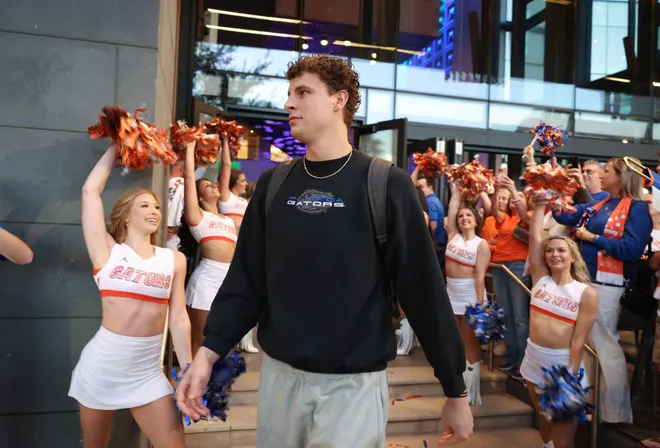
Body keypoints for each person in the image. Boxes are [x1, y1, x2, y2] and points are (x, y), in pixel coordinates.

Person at [176, 55, 473, 447]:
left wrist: (455, 389)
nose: (288, 104)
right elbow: (246, 281)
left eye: (303, 92)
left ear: (338, 99)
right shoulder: (273, 185)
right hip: (280, 379)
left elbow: (423, 293)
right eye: (288, 94)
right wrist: (207, 352)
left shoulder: (386, 184)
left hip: (353, 387)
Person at [68, 145, 192, 448]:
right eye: (144, 206)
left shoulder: (174, 259)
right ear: (125, 216)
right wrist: (117, 143)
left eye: (157, 207)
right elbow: (89, 192)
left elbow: (177, 317)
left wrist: (187, 370)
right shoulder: (107, 252)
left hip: (147, 374)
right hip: (102, 368)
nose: (154, 211)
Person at [554, 157, 651, 423]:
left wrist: (592, 238)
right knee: (585, 344)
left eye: (606, 171)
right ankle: (589, 402)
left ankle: (615, 412)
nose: (601, 174)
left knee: (605, 344)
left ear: (620, 177)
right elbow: (564, 214)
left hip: (609, 284)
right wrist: (551, 189)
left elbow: (632, 249)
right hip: (585, 281)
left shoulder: (638, 208)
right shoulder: (599, 202)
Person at [522, 200, 598, 448]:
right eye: (550, 250)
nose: (554, 254)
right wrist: (540, 205)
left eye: (561, 250)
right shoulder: (540, 279)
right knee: (544, 421)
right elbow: (534, 238)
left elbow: (579, 340)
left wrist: (571, 376)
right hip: (533, 359)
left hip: (562, 366)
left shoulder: (585, 293)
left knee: (564, 437)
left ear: (573, 257)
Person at [182, 141, 239, 355]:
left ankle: (214, 385)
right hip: (206, 281)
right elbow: (189, 177)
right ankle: (194, 385)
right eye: (207, 186)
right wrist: (190, 147)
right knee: (201, 338)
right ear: (198, 196)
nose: (214, 186)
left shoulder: (227, 219)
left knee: (223, 337)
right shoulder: (197, 216)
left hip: (228, 280)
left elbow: (226, 168)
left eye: (213, 184)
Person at [444, 181, 491, 405]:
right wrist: (455, 192)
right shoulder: (453, 236)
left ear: (476, 220)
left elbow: (480, 276)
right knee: (455, 339)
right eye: (461, 217)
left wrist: (480, 305)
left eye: (468, 217)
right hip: (450, 292)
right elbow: (452, 210)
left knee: (470, 342)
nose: (463, 219)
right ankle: (459, 380)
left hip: (470, 296)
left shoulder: (481, 245)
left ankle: (472, 390)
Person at [217, 138, 258, 352]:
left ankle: (246, 338)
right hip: (228, 252)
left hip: (246, 250)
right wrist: (225, 141)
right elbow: (225, 166)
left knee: (250, 292)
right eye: (241, 179)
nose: (245, 182)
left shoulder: (245, 202)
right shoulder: (226, 199)